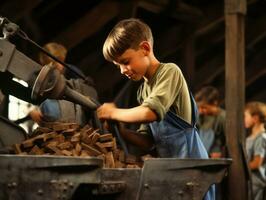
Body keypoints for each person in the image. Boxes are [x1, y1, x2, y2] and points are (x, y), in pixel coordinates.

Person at [96, 18, 214, 199]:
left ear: (145, 48)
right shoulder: (143, 91)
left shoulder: (169, 72)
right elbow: (148, 141)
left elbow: (150, 113)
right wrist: (123, 131)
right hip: (171, 171)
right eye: (117, 65)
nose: (122, 70)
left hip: (192, 168)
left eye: (125, 61)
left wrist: (113, 112)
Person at [29, 42, 98, 127]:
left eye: (60, 61)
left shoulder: (72, 71)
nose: (59, 65)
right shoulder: (44, 78)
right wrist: (33, 110)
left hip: (75, 110)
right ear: (46, 65)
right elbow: (37, 98)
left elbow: (86, 91)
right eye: (54, 63)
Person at [195, 86, 226, 158]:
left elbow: (229, 143)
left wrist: (222, 154)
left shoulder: (223, 118)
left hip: (215, 159)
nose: (200, 111)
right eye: (199, 107)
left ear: (214, 103)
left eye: (204, 107)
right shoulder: (200, 117)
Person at [245, 101, 266, 200]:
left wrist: (240, 168)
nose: (244, 119)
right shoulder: (250, 137)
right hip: (250, 181)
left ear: (255, 118)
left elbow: (257, 163)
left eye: (246, 116)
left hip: (257, 182)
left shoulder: (261, 137)